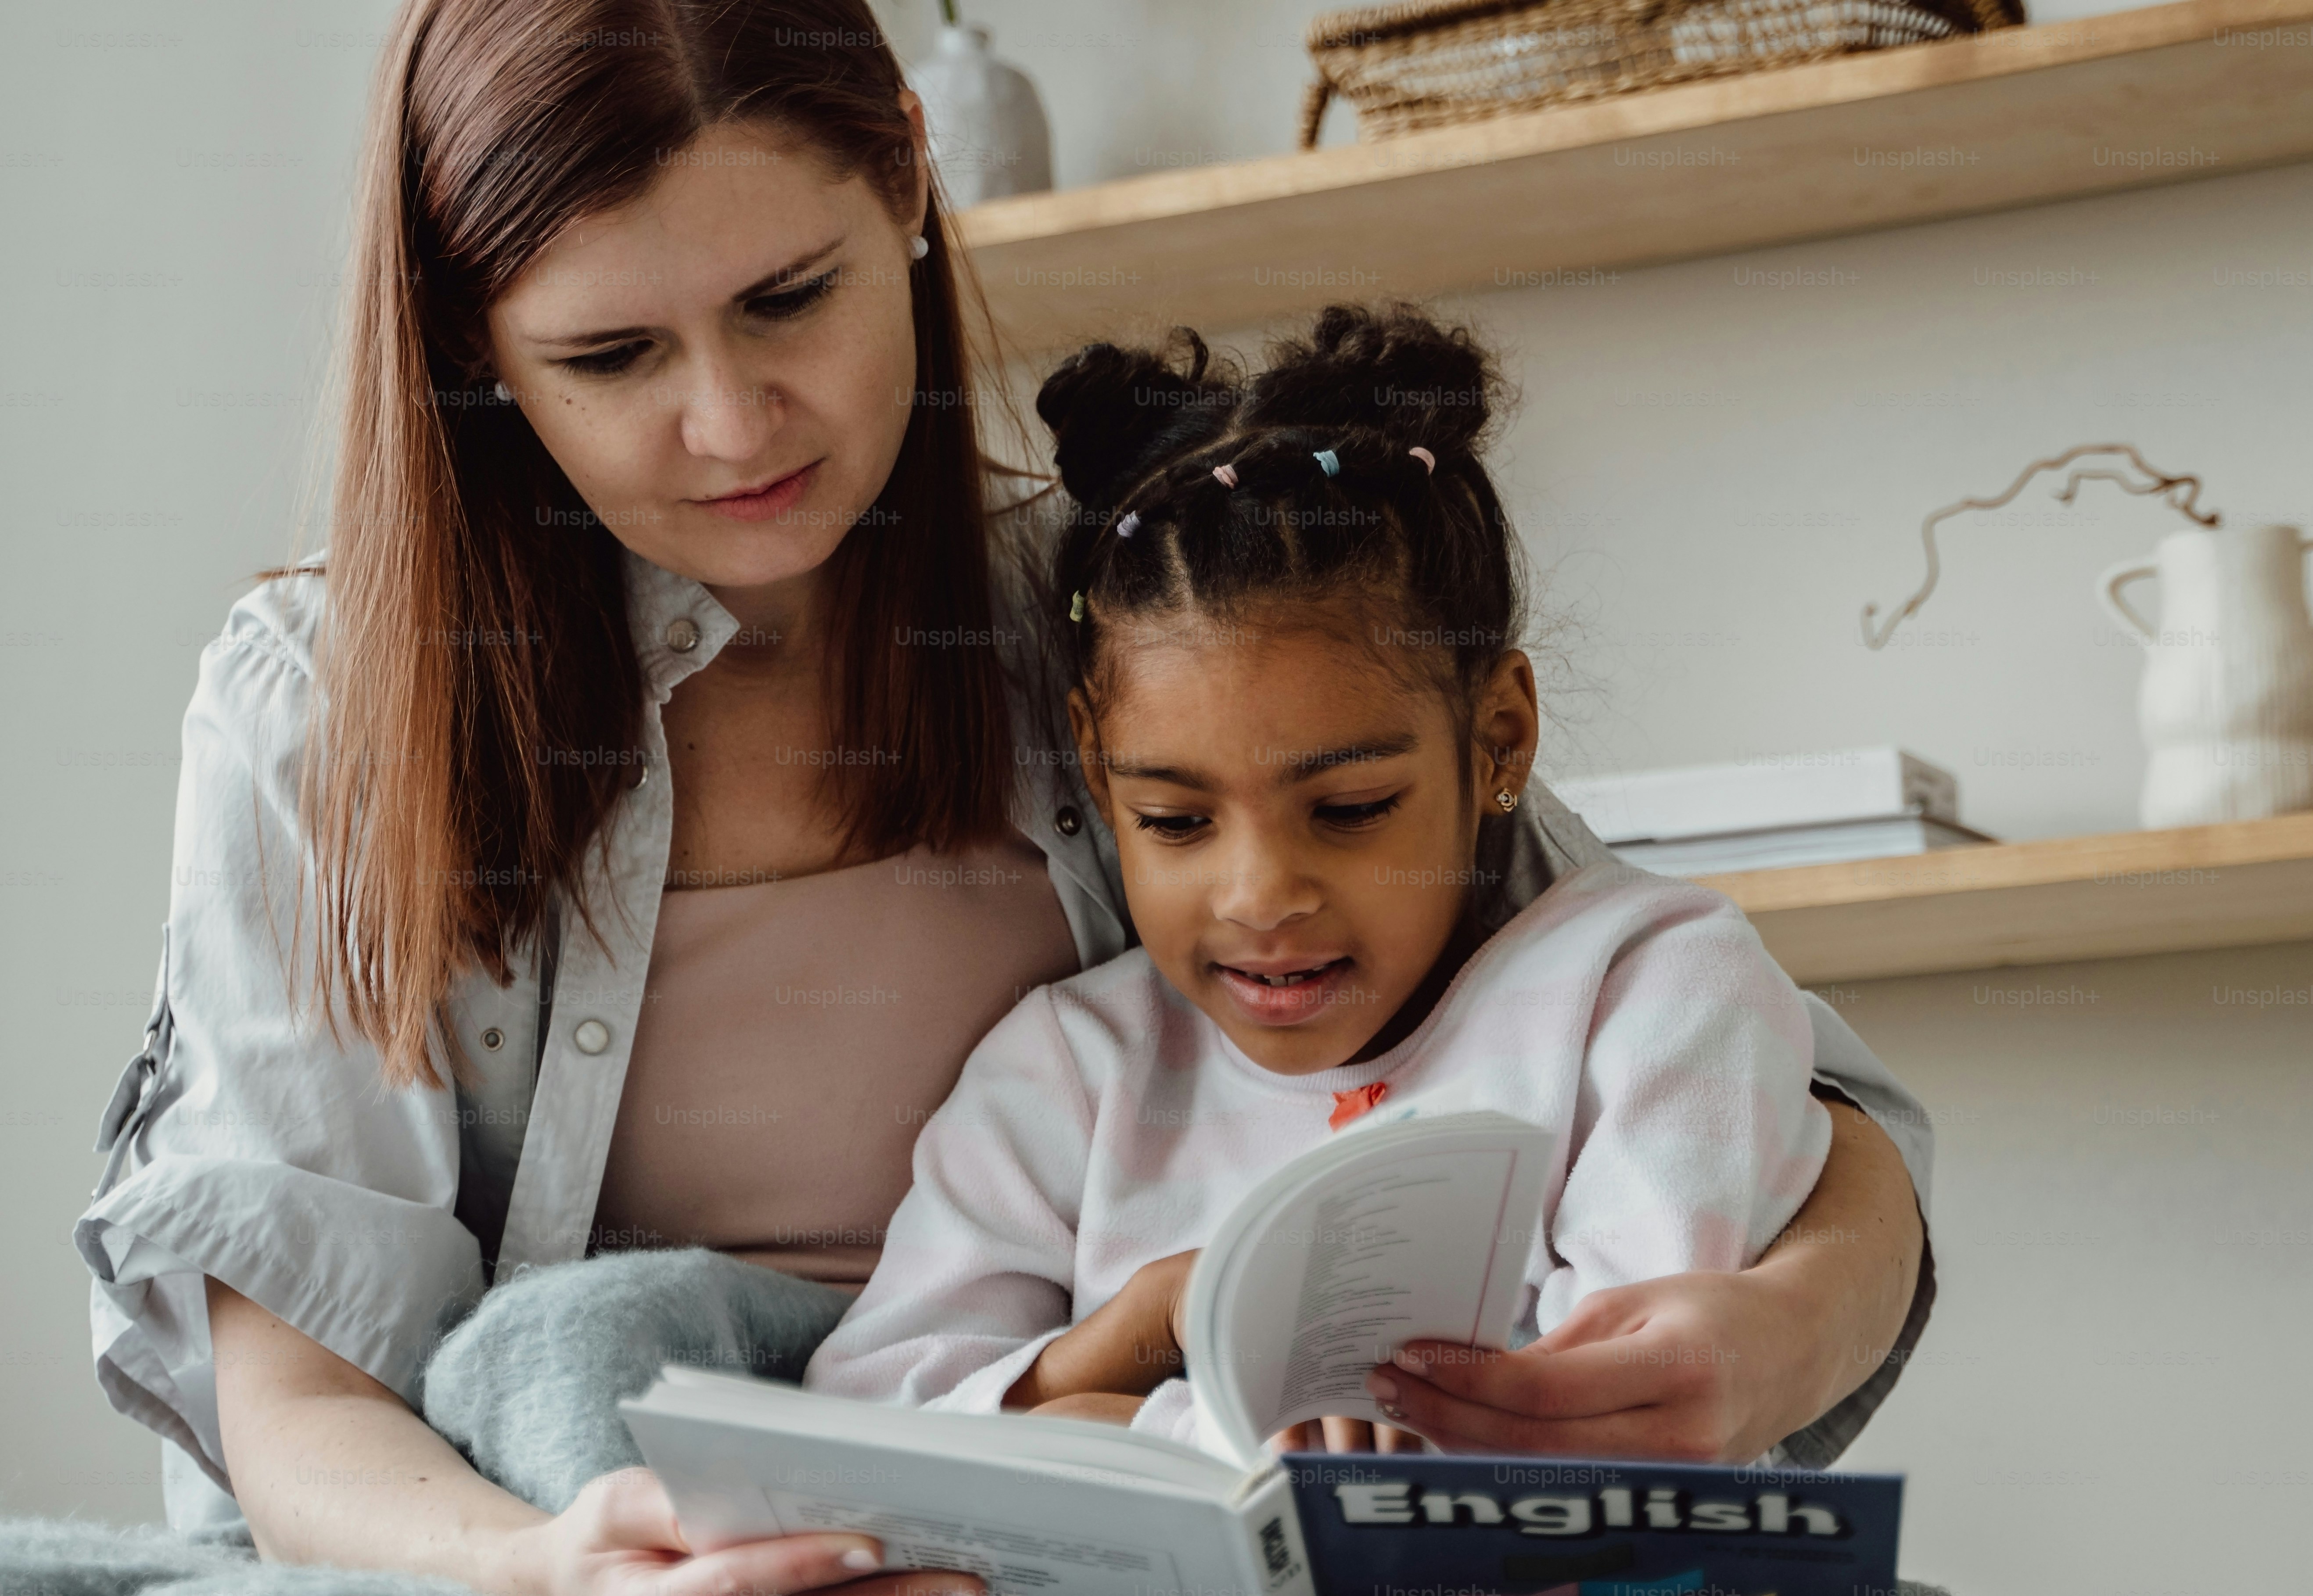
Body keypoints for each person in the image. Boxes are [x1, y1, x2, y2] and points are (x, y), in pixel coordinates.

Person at [73, 3, 1933, 1593]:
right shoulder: (326, 705)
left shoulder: (1141, 612)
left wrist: (1766, 1333)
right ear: (474, 343)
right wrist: (548, 1563)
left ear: (908, 174)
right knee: (579, 1345)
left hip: (1093, 1485)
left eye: (789, 298)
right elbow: (298, 1406)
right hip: (567, 1517)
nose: (732, 425)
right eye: (611, 357)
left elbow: (1753, 1076)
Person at [810, 308, 1838, 1455]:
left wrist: (1125, 1431)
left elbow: (1609, 1403)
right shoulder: (1065, 1076)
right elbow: (858, 1440)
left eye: (1348, 812)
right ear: (1095, 767)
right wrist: (1135, 1338)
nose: (1261, 895)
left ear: (1499, 740)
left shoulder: (1645, 992)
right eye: (1175, 819)